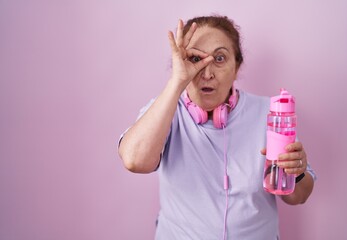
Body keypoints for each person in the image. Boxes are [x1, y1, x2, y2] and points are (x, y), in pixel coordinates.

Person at [118, 15, 315, 240]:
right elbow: (134, 160)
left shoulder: (270, 114)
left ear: (237, 66)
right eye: (194, 59)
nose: (207, 73)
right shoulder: (165, 110)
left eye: (219, 58)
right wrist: (177, 82)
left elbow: (299, 196)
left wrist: (297, 173)